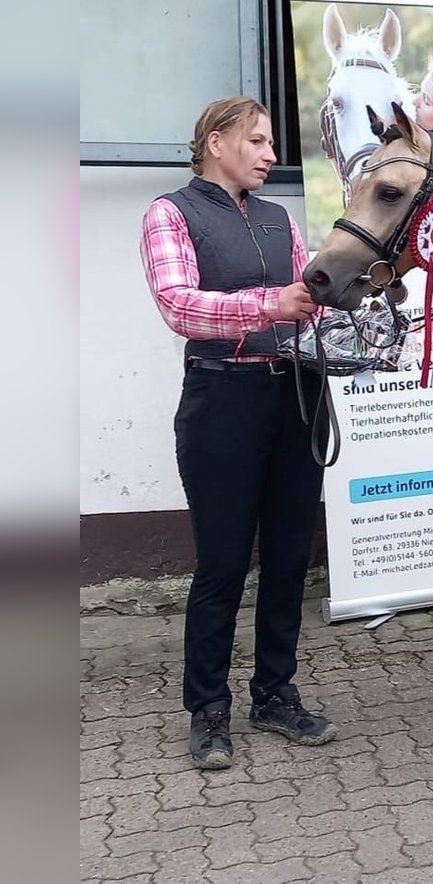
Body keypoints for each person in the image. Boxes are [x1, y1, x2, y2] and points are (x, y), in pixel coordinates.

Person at [139, 96, 336, 770]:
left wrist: (349, 328)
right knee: (223, 566)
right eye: (256, 141)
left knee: (287, 559)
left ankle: (275, 694)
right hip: (222, 397)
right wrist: (269, 304)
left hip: (295, 396)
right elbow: (178, 305)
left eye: (272, 143)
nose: (269, 154)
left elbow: (307, 309)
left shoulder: (281, 219)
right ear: (215, 142)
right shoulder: (171, 213)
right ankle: (209, 710)